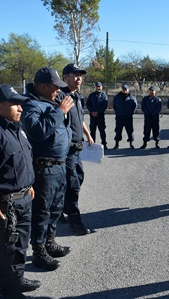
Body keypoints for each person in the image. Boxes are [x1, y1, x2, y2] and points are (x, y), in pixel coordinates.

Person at [0, 84, 40, 299]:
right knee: (6, 248)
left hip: (23, 199)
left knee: (21, 244)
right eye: (14, 104)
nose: (20, 108)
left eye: (20, 103)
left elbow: (20, 163)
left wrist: (28, 186)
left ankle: (18, 279)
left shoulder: (16, 128)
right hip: (5, 203)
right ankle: (7, 290)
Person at [21, 67, 74, 271]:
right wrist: (60, 112)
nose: (57, 91)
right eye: (54, 88)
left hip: (59, 165)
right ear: (43, 86)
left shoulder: (49, 101)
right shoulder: (31, 105)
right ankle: (39, 251)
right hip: (44, 167)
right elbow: (37, 131)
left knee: (56, 208)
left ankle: (50, 242)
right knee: (42, 211)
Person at [59, 63, 94, 235]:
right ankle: (74, 219)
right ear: (65, 78)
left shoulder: (77, 97)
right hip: (67, 150)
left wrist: (88, 134)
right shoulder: (61, 97)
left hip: (77, 148)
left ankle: (58, 211)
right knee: (72, 184)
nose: (79, 78)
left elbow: (79, 119)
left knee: (77, 179)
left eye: (81, 75)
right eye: (75, 75)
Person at [112, 84, 137, 149]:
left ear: (128, 90)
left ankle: (131, 144)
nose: (124, 90)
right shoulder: (117, 97)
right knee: (118, 131)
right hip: (119, 117)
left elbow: (135, 106)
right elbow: (114, 106)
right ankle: (116, 144)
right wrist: (117, 112)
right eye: (123, 89)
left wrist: (131, 113)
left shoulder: (132, 97)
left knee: (130, 131)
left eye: (126, 89)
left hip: (128, 117)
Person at [86, 82, 108, 149]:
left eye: (99, 86)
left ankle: (104, 144)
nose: (98, 88)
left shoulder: (104, 96)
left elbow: (104, 105)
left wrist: (98, 112)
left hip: (100, 116)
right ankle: (92, 144)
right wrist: (92, 111)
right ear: (95, 87)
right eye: (97, 86)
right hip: (92, 116)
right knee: (92, 131)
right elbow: (88, 104)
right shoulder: (91, 95)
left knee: (102, 130)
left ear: (102, 87)